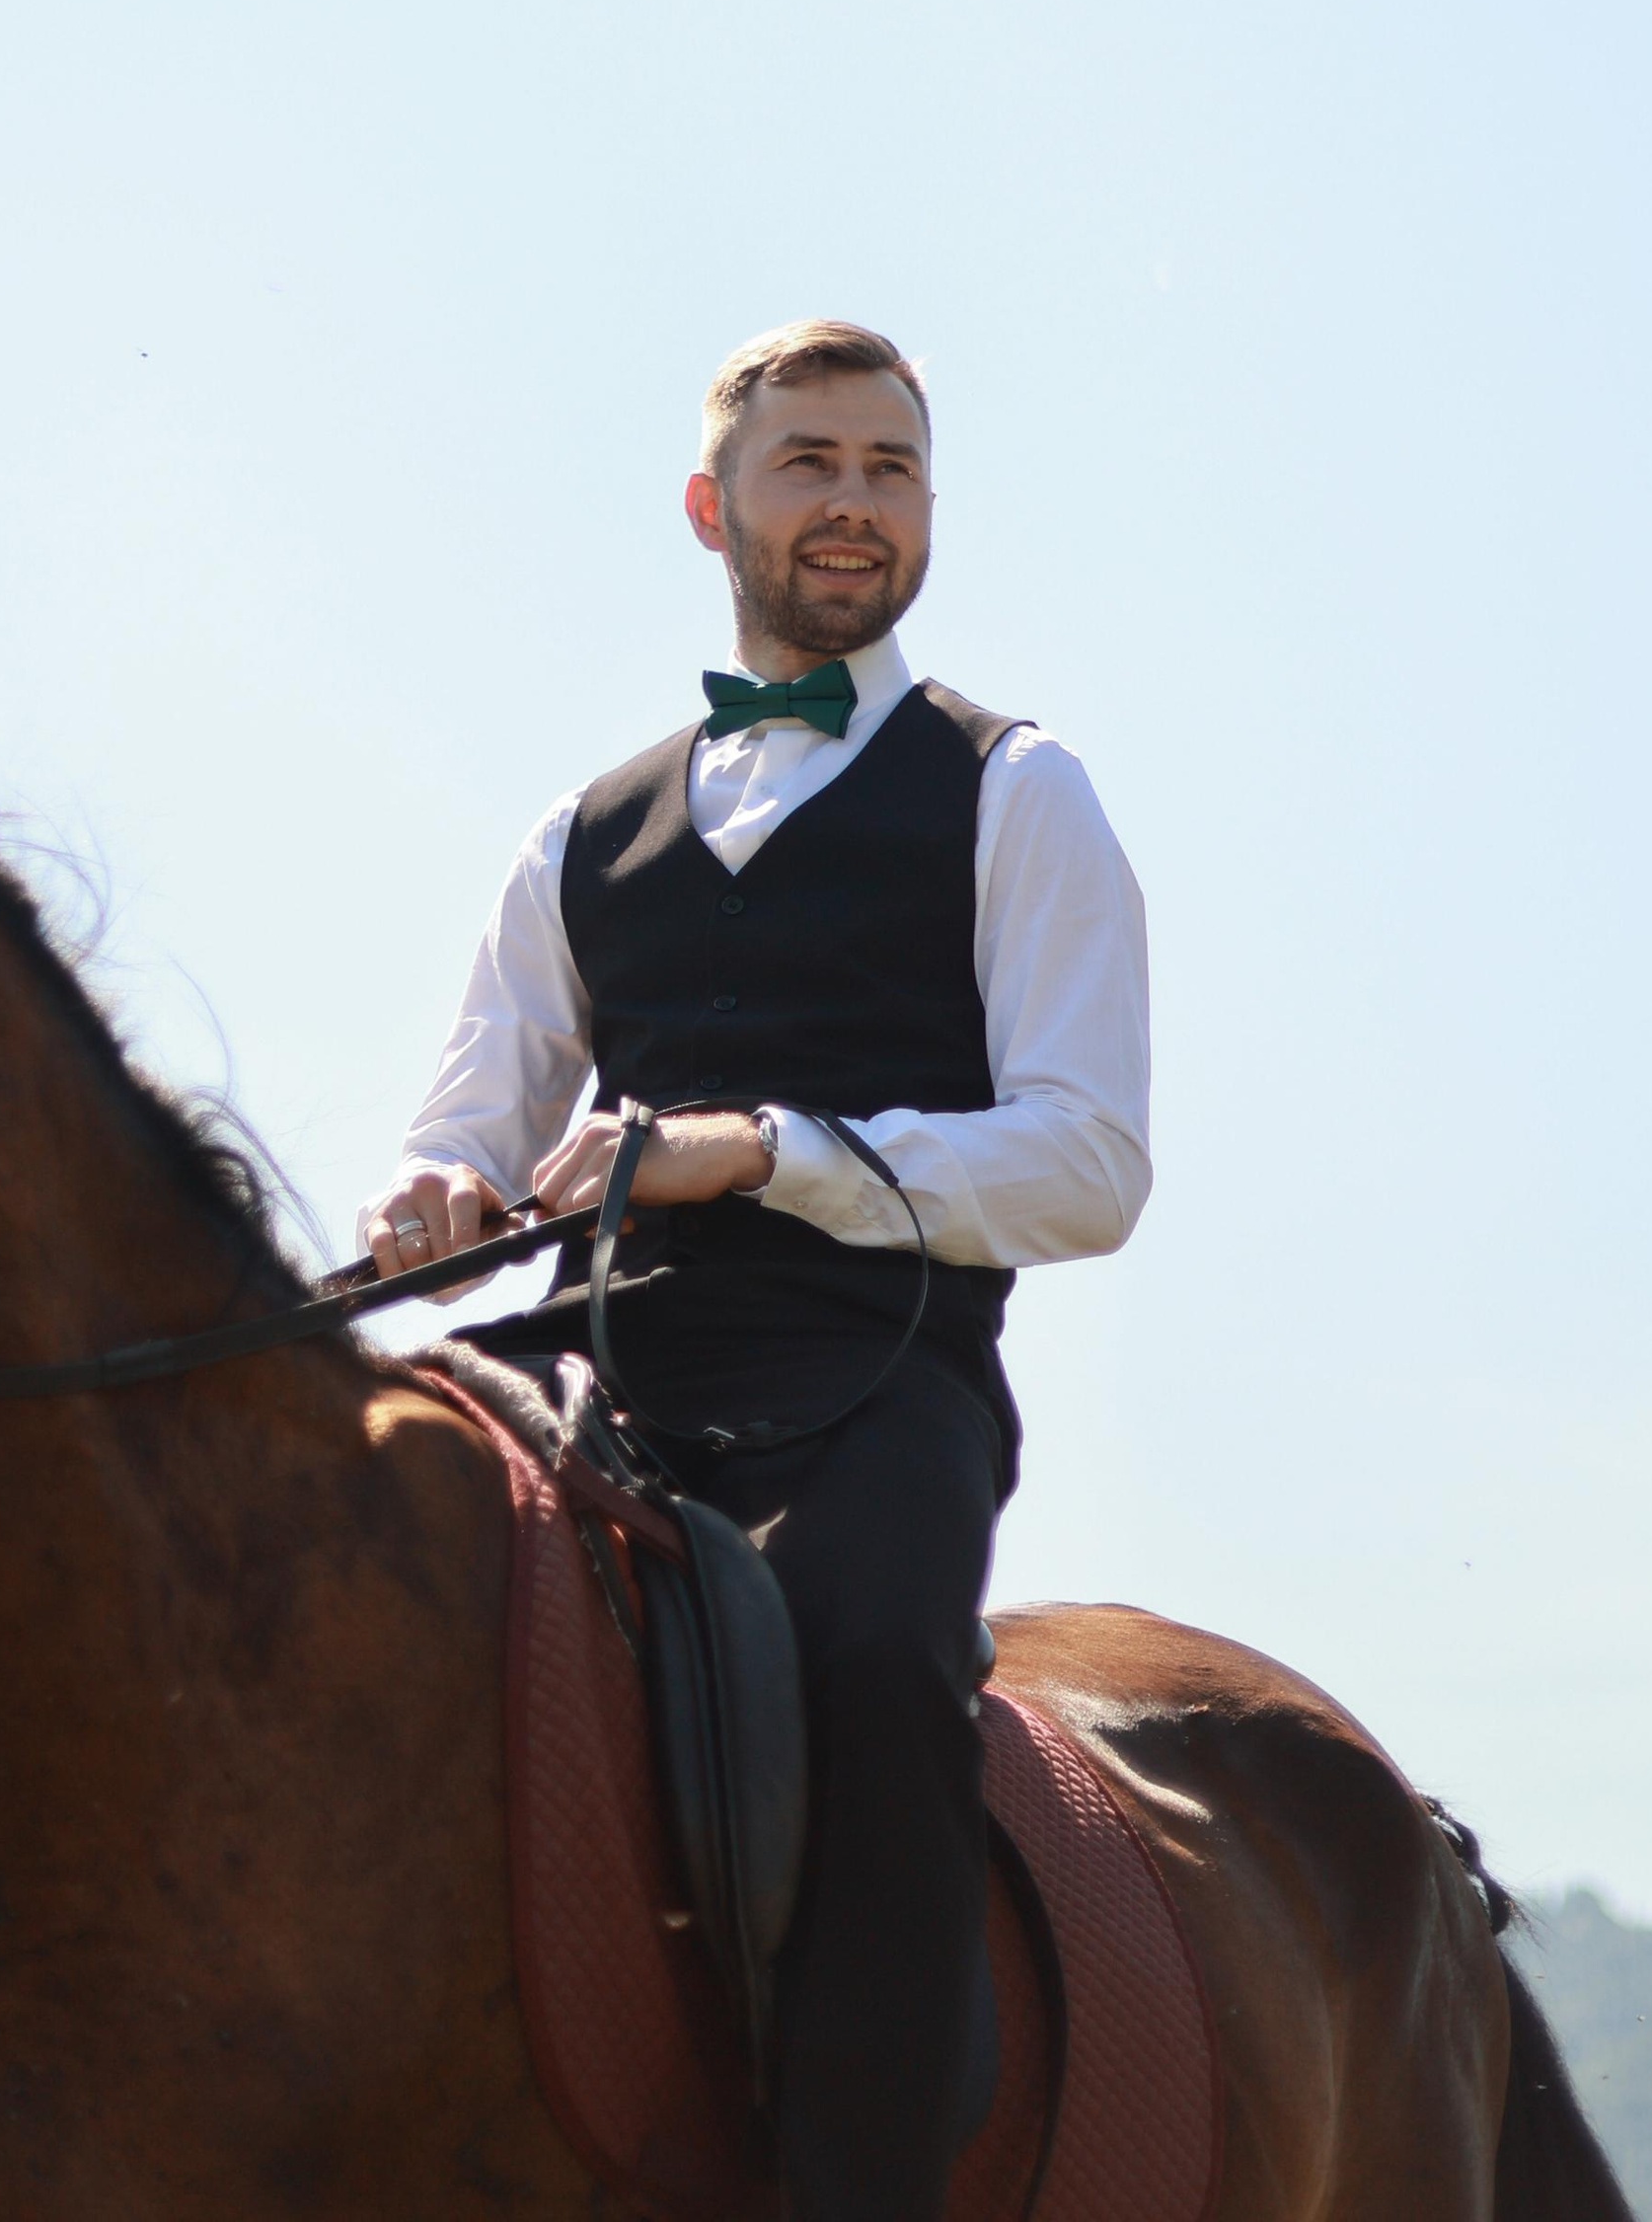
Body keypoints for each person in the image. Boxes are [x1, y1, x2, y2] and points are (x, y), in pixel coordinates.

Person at [361, 320, 1151, 2222]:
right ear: (714, 510)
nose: (855, 504)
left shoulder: (1019, 788)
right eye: (811, 464)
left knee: (873, 1664)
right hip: (585, 1369)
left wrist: (768, 1149)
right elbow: (466, 1129)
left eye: (892, 468)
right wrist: (431, 1194)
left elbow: (1093, 1164)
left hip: (871, 1384)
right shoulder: (576, 837)